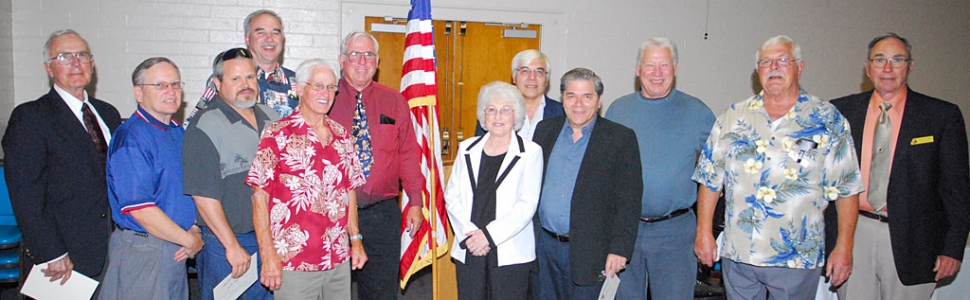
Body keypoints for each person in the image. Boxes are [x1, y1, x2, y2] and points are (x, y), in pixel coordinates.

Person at [692, 35, 864, 299]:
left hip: (796, 258)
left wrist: (844, 246)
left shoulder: (827, 119)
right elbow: (709, 178)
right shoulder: (733, 116)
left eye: (783, 60)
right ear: (757, 71)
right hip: (739, 256)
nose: (773, 67)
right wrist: (704, 232)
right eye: (765, 62)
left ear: (799, 67)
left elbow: (847, 188)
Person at [827, 33, 970, 300]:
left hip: (917, 241)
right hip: (854, 234)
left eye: (897, 59)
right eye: (880, 60)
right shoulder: (840, 111)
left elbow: (957, 191)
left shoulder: (941, 116)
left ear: (910, 66)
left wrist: (952, 248)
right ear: (868, 68)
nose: (888, 68)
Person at [2, 29, 121, 287]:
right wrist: (51, 252)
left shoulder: (108, 113)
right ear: (49, 68)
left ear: (92, 63)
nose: (76, 63)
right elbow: (25, 195)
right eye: (64, 57)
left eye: (82, 55)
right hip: (63, 253)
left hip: (112, 245)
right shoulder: (30, 118)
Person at [246, 59, 369, 299]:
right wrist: (267, 253)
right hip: (294, 261)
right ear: (300, 89)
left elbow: (349, 192)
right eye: (319, 86)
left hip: (337, 258)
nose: (326, 93)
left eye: (331, 87)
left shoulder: (342, 135)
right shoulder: (277, 134)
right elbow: (259, 197)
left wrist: (356, 240)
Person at [605, 37, 715, 300]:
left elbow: (718, 173)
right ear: (637, 69)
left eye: (664, 65)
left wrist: (705, 230)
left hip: (675, 232)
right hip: (625, 231)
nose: (657, 73)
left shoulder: (697, 112)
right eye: (650, 65)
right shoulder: (618, 110)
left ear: (675, 69)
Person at [328, 31, 425, 299]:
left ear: (378, 61)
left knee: (381, 290)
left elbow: (408, 154)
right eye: (354, 55)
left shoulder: (394, 101)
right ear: (342, 60)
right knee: (332, 289)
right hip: (332, 214)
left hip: (381, 214)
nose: (362, 61)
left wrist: (415, 201)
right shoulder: (325, 99)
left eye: (368, 54)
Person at [532, 67, 642, 299]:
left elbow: (629, 202)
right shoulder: (544, 131)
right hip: (544, 249)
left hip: (592, 252)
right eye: (571, 96)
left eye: (587, 96)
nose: (578, 103)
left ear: (599, 100)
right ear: (562, 99)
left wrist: (619, 249)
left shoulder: (621, 139)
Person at [99, 57, 203, 300]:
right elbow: (141, 209)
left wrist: (194, 230)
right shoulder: (132, 137)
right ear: (139, 93)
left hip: (175, 246)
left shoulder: (177, 130)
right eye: (160, 85)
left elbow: (185, 191)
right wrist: (189, 239)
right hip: (145, 249)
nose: (171, 91)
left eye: (175, 84)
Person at [182, 47, 279, 300]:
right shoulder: (204, 126)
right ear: (217, 83)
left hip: (270, 240)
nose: (245, 85)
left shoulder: (273, 119)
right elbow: (203, 197)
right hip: (228, 243)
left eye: (249, 77)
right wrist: (231, 245)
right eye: (235, 79)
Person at [445, 82, 543, 299]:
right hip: (470, 248)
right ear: (483, 114)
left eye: (506, 109)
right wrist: (469, 235)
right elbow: (452, 196)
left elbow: (527, 204)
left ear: (516, 114)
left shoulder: (531, 153)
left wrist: (488, 236)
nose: (498, 115)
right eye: (491, 109)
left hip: (510, 252)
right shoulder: (467, 148)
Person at [186, 9, 297, 123]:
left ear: (282, 40)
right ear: (247, 39)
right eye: (261, 32)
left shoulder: (298, 83)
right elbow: (196, 124)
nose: (269, 39)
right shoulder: (225, 79)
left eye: (275, 33)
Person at [475, 49, 564, 140]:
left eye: (539, 72)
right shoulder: (493, 113)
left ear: (547, 80)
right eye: (525, 71)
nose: (532, 77)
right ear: (514, 77)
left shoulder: (563, 113)